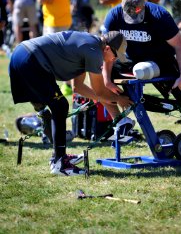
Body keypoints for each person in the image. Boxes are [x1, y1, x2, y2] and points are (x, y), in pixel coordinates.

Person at [9, 30, 133, 176]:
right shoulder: (94, 52)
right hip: (31, 60)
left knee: (49, 108)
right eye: (115, 56)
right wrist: (120, 99)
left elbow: (78, 87)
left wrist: (104, 98)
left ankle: (58, 157)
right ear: (107, 48)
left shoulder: (89, 44)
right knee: (60, 106)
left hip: (21, 54)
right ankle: (60, 164)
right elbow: (99, 91)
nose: (113, 61)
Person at [101, 0, 181, 118]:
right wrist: (107, 80)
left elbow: (179, 45)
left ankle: (179, 107)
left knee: (140, 70)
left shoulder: (159, 15)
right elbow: (107, 49)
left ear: (143, 6)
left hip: (159, 60)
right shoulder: (114, 15)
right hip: (130, 59)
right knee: (98, 73)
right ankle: (120, 121)